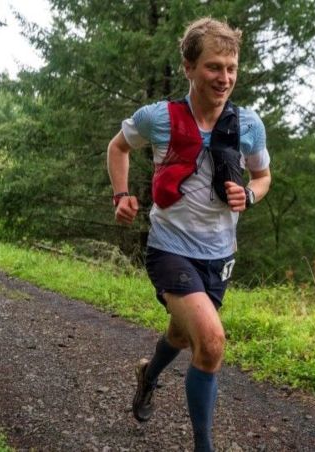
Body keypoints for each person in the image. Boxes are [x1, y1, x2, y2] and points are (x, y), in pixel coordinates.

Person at [106, 17, 271, 452]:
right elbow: (118, 147)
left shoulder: (247, 124)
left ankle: (149, 375)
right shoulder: (159, 118)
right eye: (214, 67)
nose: (225, 78)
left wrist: (249, 196)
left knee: (183, 337)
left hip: (219, 256)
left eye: (232, 67)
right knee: (212, 342)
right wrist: (121, 193)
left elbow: (263, 176)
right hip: (169, 249)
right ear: (189, 67)